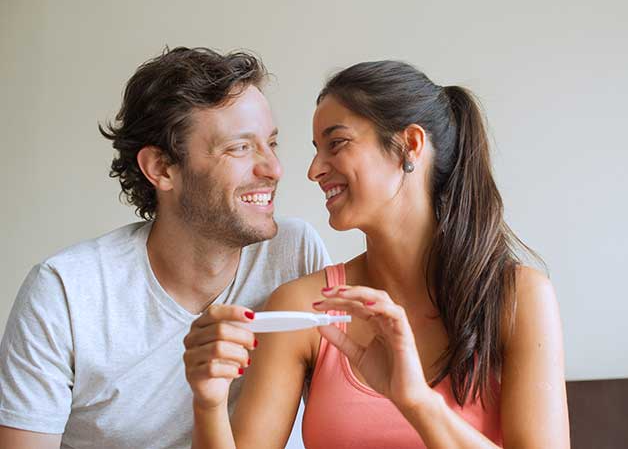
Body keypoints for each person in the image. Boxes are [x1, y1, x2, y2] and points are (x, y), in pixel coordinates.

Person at [184, 60, 571, 448]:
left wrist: (415, 400)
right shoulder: (305, 306)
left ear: (410, 145)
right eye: (317, 150)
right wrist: (209, 402)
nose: (314, 170)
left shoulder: (517, 298)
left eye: (337, 143)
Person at [0, 47, 330, 449]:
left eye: (271, 143)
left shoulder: (292, 254)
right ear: (161, 168)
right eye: (239, 148)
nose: (273, 169)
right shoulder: (66, 293)